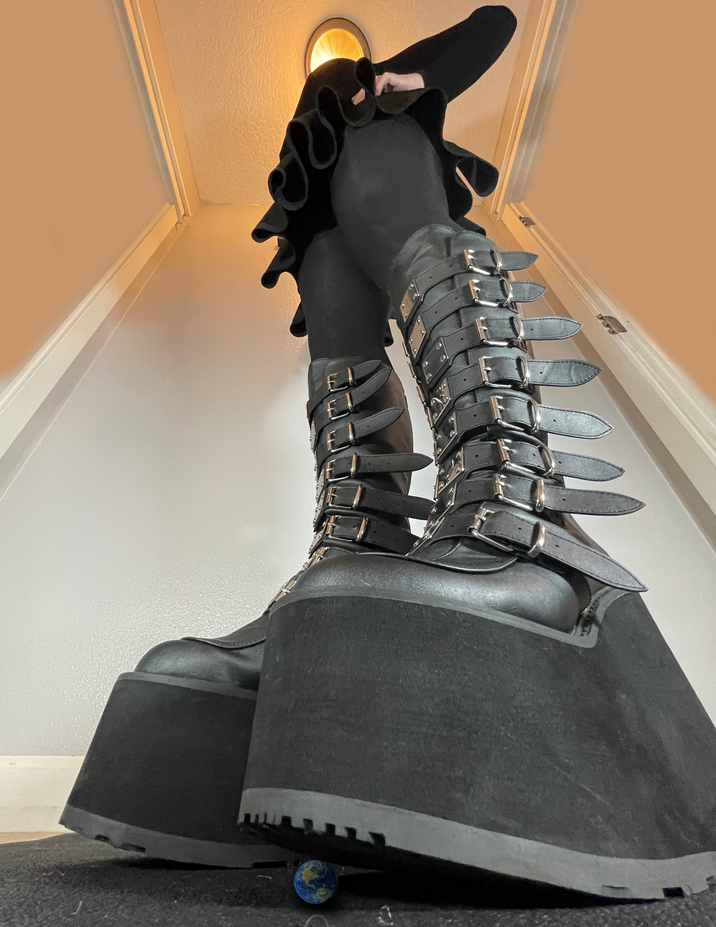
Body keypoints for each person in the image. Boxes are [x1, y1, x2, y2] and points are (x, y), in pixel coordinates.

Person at [61, 6, 716, 898]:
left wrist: (412, 80)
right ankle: (359, 544)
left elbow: (498, 19)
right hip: (345, 191)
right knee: (324, 237)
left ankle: (517, 511)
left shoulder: (384, 100)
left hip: (400, 138)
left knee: (368, 162)